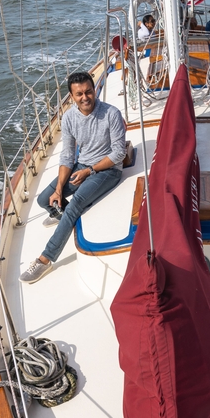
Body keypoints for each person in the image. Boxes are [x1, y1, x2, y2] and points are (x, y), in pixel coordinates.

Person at [19, 70, 126, 283]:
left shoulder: (111, 113)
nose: (85, 97)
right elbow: (67, 156)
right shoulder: (69, 117)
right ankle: (64, 218)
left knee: (76, 204)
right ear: (72, 96)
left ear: (94, 90)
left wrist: (89, 171)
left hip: (108, 170)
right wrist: (59, 188)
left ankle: (45, 259)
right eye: (79, 94)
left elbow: (119, 153)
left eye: (88, 91)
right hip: (81, 165)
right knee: (43, 200)